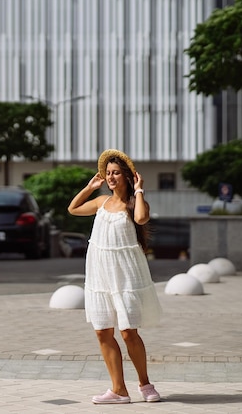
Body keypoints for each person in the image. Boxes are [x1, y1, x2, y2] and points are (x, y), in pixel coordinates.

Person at [67, 149, 162, 404]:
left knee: (129, 331)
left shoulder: (134, 204)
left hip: (126, 275)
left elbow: (142, 219)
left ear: (127, 176)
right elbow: (73, 208)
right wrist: (90, 187)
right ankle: (119, 390)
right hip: (100, 275)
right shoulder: (101, 203)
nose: (110, 177)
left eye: (115, 173)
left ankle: (145, 384)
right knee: (102, 332)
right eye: (107, 173)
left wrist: (140, 190)